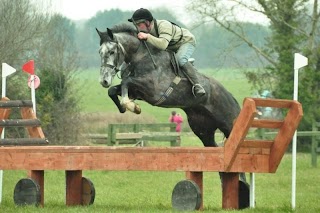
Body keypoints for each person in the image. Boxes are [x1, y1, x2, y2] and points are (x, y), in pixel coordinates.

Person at [128, 8, 206, 97]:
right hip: (171, 47)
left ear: (147, 22)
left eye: (139, 24)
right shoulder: (146, 31)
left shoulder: (164, 25)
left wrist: (147, 37)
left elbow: (163, 45)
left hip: (185, 41)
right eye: (135, 25)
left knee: (180, 59)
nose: (137, 28)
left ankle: (197, 85)